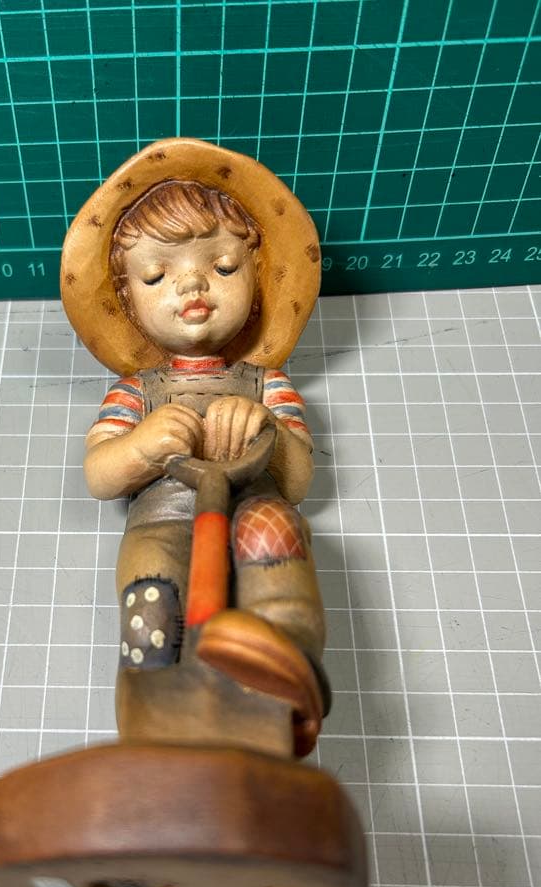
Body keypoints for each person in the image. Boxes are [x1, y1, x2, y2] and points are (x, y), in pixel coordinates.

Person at [61, 139, 328, 755]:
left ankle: (283, 656)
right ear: (128, 299)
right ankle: (152, 706)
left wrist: (265, 430)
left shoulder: (266, 382)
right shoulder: (137, 391)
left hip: (250, 505)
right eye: (156, 276)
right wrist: (144, 447)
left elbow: (298, 480)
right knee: (152, 591)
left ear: (257, 276)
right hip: (163, 522)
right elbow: (100, 475)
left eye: (224, 267)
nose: (192, 285)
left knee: (272, 533)